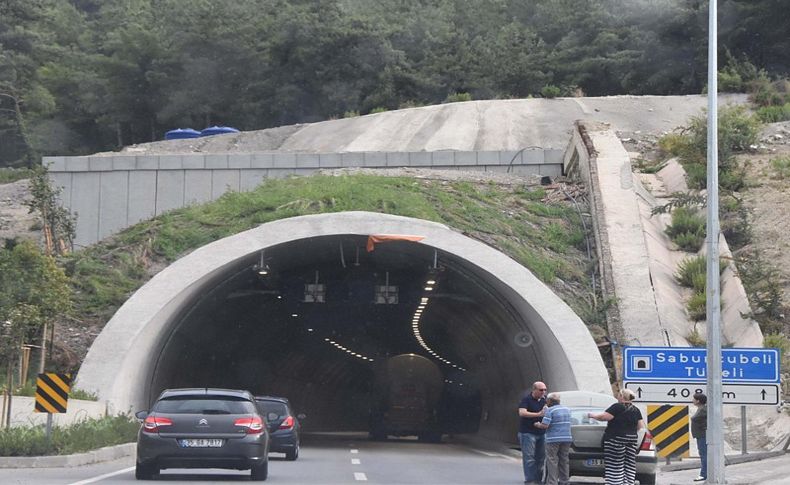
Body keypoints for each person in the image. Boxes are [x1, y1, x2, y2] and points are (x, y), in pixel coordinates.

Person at [588, 389, 644, 485]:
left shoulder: (617, 407)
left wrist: (593, 416)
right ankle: (628, 483)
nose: (617, 396)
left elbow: (604, 417)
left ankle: (615, 483)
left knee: (615, 464)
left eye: (618, 395)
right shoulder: (636, 409)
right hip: (631, 440)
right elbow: (640, 426)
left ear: (622, 396)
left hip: (616, 439)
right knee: (629, 464)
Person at [534, 392, 572, 485]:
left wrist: (537, 424)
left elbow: (545, 425)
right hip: (567, 438)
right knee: (564, 460)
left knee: (552, 461)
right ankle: (564, 481)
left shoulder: (550, 410)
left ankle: (552, 482)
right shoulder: (567, 409)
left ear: (550, 401)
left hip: (553, 439)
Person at [518, 381, 548, 484]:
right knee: (529, 457)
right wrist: (538, 414)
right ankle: (530, 479)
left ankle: (538, 479)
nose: (543, 392)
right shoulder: (527, 399)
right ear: (534, 390)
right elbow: (522, 412)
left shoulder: (545, 400)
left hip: (542, 432)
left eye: (545, 390)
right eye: (541, 390)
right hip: (527, 432)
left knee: (541, 457)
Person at [691, 392, 708, 482]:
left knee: (704, 455)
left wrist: (704, 427)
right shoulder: (701, 409)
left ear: (698, 401)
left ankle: (704, 474)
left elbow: (703, 422)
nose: (692, 400)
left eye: (694, 399)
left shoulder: (703, 410)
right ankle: (705, 473)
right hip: (700, 435)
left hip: (703, 435)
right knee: (703, 454)